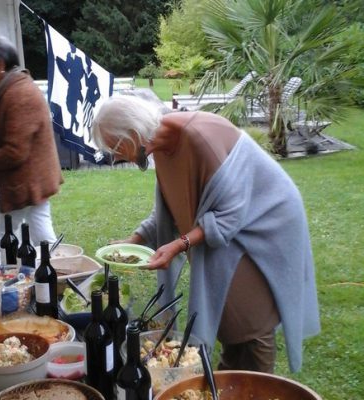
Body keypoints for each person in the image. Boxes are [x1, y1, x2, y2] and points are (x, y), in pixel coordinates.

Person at [91, 95, 320, 373]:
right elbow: (173, 206)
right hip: (230, 229)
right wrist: (135, 239)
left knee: (250, 321)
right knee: (226, 318)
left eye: (114, 148)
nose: (115, 158)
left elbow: (230, 215)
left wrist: (180, 244)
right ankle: (227, 378)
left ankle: (253, 384)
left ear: (133, 132)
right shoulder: (162, 145)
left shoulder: (200, 139)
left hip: (261, 230)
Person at [0, 35, 63, 250]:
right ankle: (51, 275)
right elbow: (16, 137)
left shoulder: (19, 94)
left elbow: (14, 153)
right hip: (33, 181)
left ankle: (18, 279)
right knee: (44, 238)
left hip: (26, 184)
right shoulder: (16, 88)